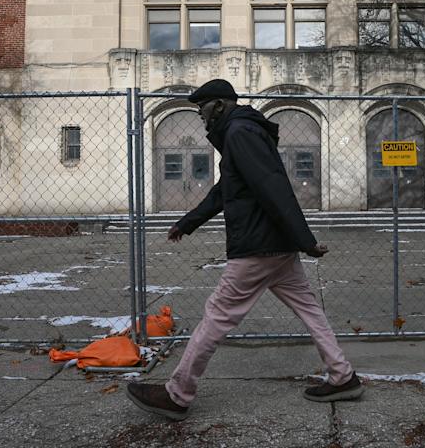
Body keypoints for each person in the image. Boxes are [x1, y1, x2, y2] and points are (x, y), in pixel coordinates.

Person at [126, 78, 362, 421]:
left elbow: (272, 186)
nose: (201, 117)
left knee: (216, 316)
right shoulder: (242, 133)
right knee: (310, 311)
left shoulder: (239, 133)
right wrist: (188, 222)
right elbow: (226, 191)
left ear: (219, 105)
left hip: (258, 247)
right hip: (276, 247)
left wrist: (305, 240)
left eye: (203, 109)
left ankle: (177, 395)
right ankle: (343, 376)